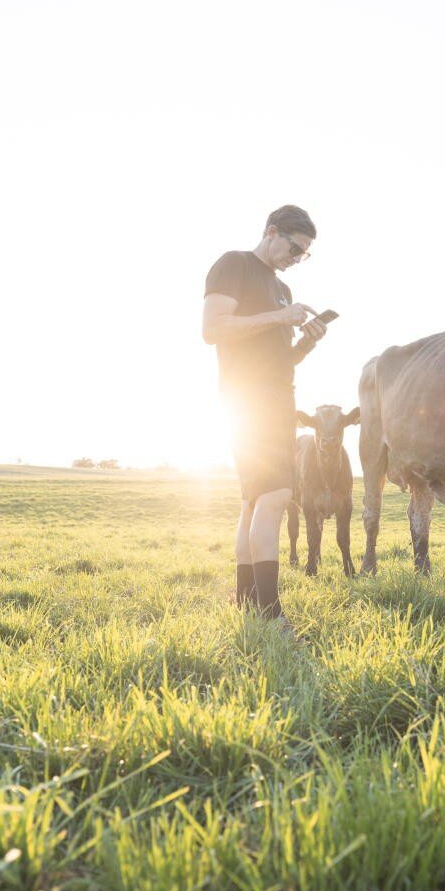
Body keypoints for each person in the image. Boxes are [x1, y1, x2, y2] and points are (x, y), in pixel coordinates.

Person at [203, 205, 328, 629]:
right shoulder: (233, 264)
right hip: (246, 400)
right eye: (295, 248)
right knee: (275, 498)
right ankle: (271, 614)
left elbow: (281, 360)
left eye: (304, 254)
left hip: (278, 401)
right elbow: (212, 328)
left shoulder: (283, 290)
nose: (297, 259)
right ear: (272, 231)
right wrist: (279, 316)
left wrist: (306, 342)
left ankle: (245, 603)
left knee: (253, 502)